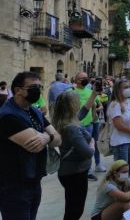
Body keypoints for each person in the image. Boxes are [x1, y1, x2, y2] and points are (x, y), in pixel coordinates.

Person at [0, 71, 62, 220]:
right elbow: (35, 145)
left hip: (34, 181)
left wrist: (47, 137)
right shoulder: (7, 115)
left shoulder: (34, 111)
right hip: (13, 186)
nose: (38, 91)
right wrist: (49, 137)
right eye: (33, 87)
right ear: (18, 90)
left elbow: (58, 139)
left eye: (40, 87)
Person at [52, 90, 95, 220]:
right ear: (72, 105)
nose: (79, 103)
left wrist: (94, 95)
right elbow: (87, 153)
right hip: (75, 173)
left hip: (71, 172)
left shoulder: (64, 119)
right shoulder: (71, 128)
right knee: (75, 211)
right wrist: (92, 143)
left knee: (72, 209)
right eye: (77, 100)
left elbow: (83, 112)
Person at [107, 80, 130, 182]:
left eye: (129, 87)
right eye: (125, 87)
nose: (128, 89)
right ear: (118, 90)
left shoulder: (129, 102)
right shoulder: (115, 104)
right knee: (122, 172)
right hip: (120, 142)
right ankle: (123, 194)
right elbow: (118, 125)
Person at [72, 72, 99, 181]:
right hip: (77, 125)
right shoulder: (71, 92)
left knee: (90, 146)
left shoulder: (90, 92)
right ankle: (79, 170)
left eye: (86, 77)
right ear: (77, 80)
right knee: (80, 149)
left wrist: (94, 115)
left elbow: (94, 104)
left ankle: (87, 170)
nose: (85, 79)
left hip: (89, 124)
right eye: (83, 78)